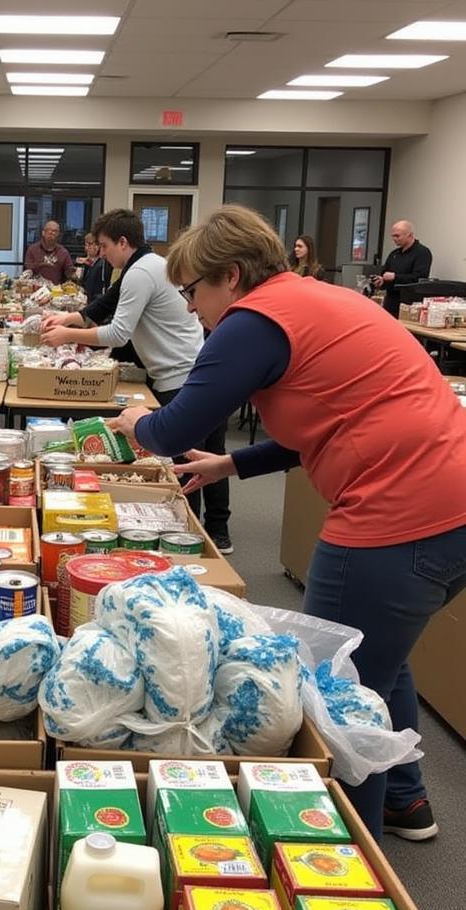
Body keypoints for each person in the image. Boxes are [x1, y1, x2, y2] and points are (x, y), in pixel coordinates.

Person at [107, 204, 466, 842]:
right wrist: (231, 465)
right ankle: (405, 800)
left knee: (329, 687)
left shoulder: (252, 321)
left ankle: (343, 849)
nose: (191, 309)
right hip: (450, 507)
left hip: (398, 515)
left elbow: (171, 428)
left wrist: (138, 422)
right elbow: (327, 423)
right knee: (373, 657)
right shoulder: (313, 301)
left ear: (234, 276)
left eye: (193, 292)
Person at [41, 208, 233, 554]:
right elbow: (104, 304)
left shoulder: (140, 273)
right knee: (209, 451)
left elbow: (118, 332)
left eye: (103, 245)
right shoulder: (145, 265)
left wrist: (65, 333)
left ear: (123, 242)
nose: (100, 252)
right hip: (195, 365)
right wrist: (68, 316)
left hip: (180, 373)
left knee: (190, 457)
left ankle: (198, 534)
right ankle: (216, 530)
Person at [371, 220, 433, 318]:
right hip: (391, 303)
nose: (394, 239)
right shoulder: (394, 254)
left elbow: (419, 278)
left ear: (410, 235)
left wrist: (395, 277)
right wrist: (381, 281)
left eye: (397, 236)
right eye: (393, 236)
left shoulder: (422, 253)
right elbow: (384, 273)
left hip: (409, 304)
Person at [24, 220, 74, 285]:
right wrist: (40, 264)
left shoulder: (63, 252)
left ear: (58, 234)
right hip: (35, 289)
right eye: (49, 230)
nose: (52, 233)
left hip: (56, 291)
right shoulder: (32, 249)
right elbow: (27, 269)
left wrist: (75, 272)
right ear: (43, 232)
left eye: (55, 231)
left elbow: (70, 272)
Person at [78, 231, 110, 301]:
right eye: (86, 245)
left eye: (90, 244)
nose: (87, 248)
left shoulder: (102, 265)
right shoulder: (90, 263)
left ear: (97, 246)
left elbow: (100, 291)